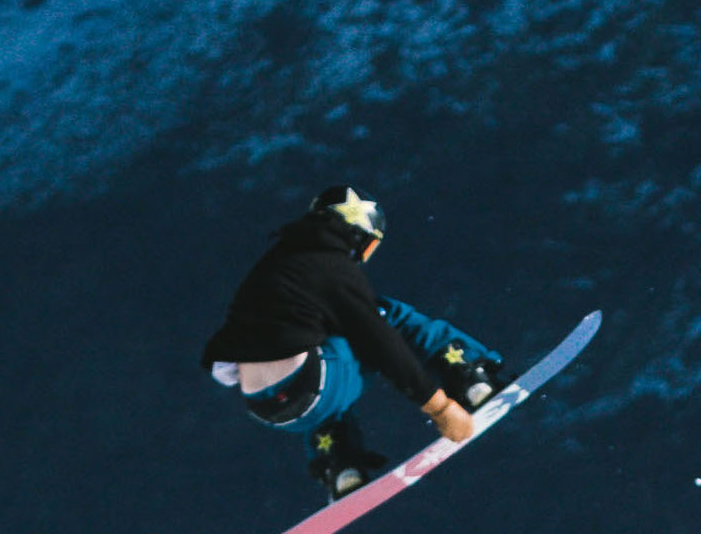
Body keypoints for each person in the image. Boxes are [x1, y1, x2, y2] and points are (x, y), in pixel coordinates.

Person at [203, 187, 514, 495]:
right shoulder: (331, 266)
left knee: (327, 348)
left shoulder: (280, 263)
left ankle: (337, 459)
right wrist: (440, 407)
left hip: (268, 408)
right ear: (360, 234)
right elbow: (379, 343)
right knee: (388, 315)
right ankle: (469, 376)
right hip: (311, 384)